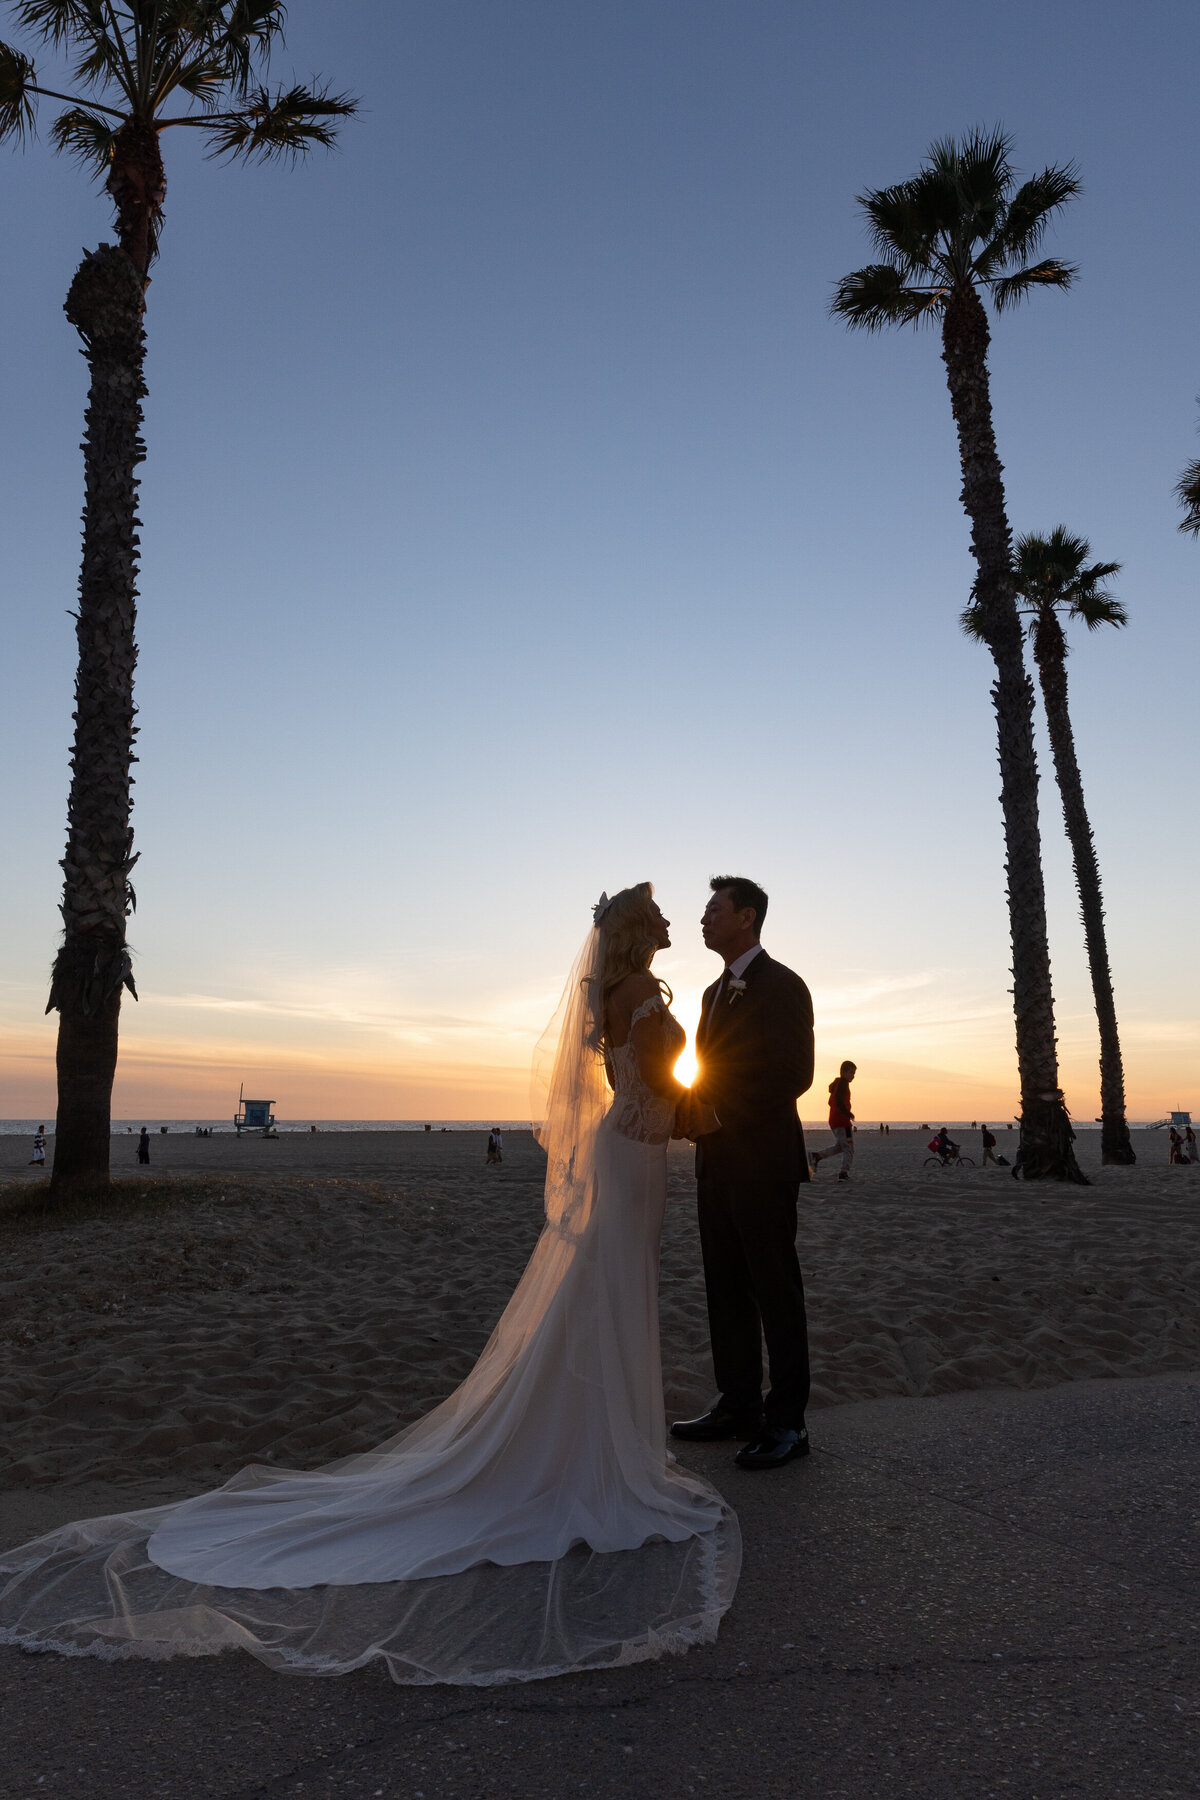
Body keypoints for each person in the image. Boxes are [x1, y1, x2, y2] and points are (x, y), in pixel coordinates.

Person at [0, 884, 738, 1687]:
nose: (670, 922)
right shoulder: (636, 993)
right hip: (633, 1157)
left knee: (605, 1291)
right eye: (659, 913)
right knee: (610, 1291)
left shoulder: (617, 995)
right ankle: (601, 1453)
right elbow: (663, 1086)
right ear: (636, 930)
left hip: (626, 1152)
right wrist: (710, 1107)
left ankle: (605, 1440)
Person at [672, 876, 814, 1472]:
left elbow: (793, 1074)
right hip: (717, 1163)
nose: (703, 919)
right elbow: (704, 1069)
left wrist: (721, 1109)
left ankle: (787, 1422)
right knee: (725, 1287)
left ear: (747, 917)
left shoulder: (784, 985)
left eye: (713, 910)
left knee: (775, 1291)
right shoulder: (708, 994)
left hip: (764, 1161)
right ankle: (738, 1404)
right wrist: (689, 1106)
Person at [810, 1061, 857, 1181]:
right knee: (849, 1148)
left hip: (834, 1120)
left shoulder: (836, 1085)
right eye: (851, 1072)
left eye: (854, 1073)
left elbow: (830, 1102)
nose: (853, 1076)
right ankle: (844, 1173)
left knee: (840, 1146)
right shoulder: (843, 1084)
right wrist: (848, 1113)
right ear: (843, 1072)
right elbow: (838, 1100)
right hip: (842, 1121)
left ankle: (817, 1156)